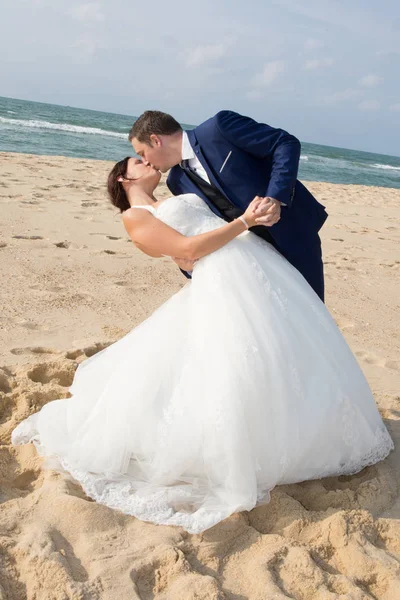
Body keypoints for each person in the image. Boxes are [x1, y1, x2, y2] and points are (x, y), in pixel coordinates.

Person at [11, 158, 394, 535]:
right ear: (123, 177)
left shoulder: (167, 199)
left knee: (280, 347)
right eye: (138, 161)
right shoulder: (134, 216)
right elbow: (189, 249)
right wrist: (243, 222)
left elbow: (189, 258)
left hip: (248, 265)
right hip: (228, 272)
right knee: (236, 357)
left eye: (147, 156)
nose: (148, 162)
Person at [129, 110, 328, 301]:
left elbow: (284, 143)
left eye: (142, 153)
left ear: (156, 140)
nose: (145, 161)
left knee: (312, 310)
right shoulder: (176, 181)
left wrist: (275, 198)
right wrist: (186, 266)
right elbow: (204, 224)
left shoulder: (219, 128)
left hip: (294, 234)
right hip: (252, 256)